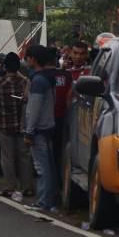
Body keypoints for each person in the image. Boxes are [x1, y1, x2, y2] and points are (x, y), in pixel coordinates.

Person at [0, 52, 33, 201]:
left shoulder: (0, 83)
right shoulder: (24, 82)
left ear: (5, 66)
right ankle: (27, 187)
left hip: (5, 124)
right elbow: (27, 93)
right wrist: (18, 73)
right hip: (21, 124)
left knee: (7, 157)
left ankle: (10, 187)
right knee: (24, 156)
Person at [23, 45, 57, 212]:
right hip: (48, 127)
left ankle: (44, 201)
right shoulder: (47, 78)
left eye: (27, 57)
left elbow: (34, 109)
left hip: (39, 130)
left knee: (41, 167)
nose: (26, 60)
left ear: (33, 59)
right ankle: (48, 200)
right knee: (47, 166)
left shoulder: (38, 81)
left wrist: (29, 131)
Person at [46, 47, 72, 182]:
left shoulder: (43, 76)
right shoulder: (66, 75)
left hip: (48, 120)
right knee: (58, 152)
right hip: (61, 118)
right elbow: (69, 98)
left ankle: (53, 181)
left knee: (48, 153)